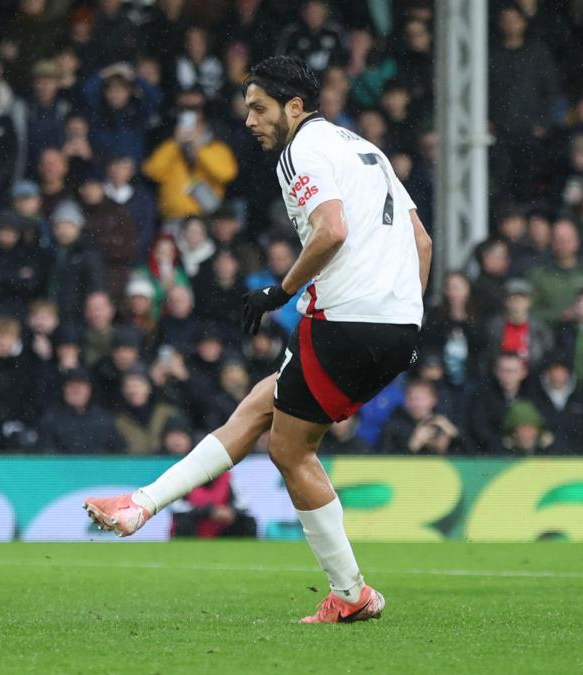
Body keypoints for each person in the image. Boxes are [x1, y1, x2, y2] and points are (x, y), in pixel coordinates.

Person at [85, 56, 431, 623]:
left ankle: (350, 594)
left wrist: (280, 291)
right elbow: (421, 241)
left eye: (259, 107)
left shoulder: (302, 151)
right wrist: (410, 321)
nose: (249, 119)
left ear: (295, 107)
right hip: (395, 325)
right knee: (258, 407)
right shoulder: (367, 151)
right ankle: (140, 506)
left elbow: (333, 229)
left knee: (289, 448)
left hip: (343, 318)